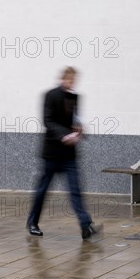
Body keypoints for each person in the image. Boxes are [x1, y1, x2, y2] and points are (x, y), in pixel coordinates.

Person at [27, 67, 100, 239]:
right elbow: (48, 121)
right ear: (62, 79)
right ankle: (32, 222)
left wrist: (80, 130)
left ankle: (85, 224)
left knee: (75, 190)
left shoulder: (74, 97)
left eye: (74, 81)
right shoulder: (50, 95)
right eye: (69, 80)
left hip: (69, 154)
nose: (71, 83)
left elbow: (76, 118)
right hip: (52, 153)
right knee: (42, 190)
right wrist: (64, 135)